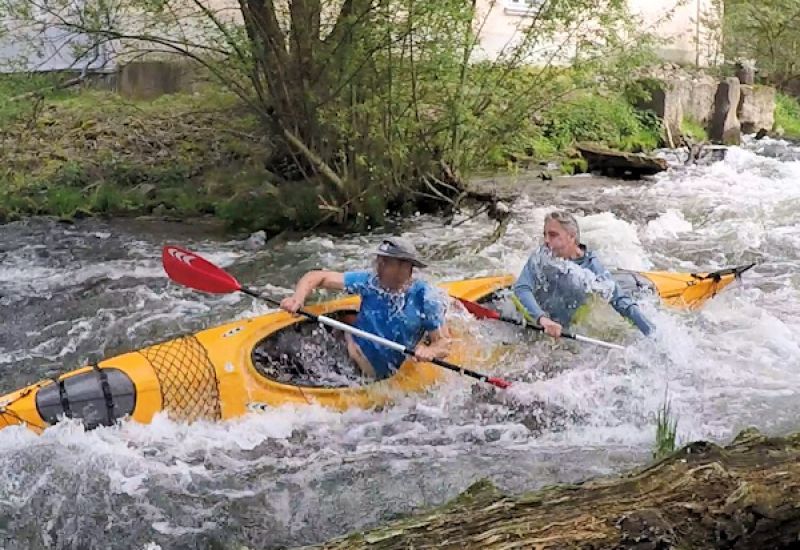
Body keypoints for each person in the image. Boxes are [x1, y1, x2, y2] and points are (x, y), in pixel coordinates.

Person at [280, 237, 450, 379]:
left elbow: (443, 342)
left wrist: (430, 351)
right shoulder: (369, 282)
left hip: (380, 375)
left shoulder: (425, 298)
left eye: (386, 262)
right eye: (380, 260)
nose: (379, 265)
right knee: (290, 349)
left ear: (406, 267)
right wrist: (298, 299)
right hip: (348, 353)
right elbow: (316, 276)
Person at [513, 211, 654, 338]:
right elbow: (522, 288)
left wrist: (651, 333)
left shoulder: (591, 268)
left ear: (572, 236)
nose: (546, 240)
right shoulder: (541, 256)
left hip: (563, 329)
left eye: (553, 235)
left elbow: (620, 301)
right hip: (533, 319)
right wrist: (542, 319)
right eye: (545, 234)